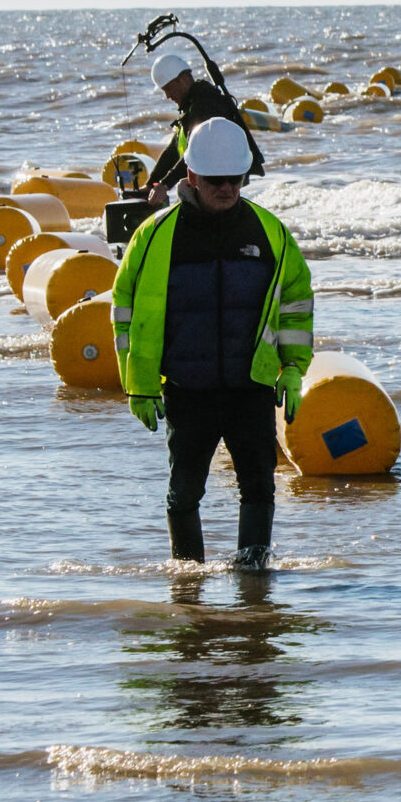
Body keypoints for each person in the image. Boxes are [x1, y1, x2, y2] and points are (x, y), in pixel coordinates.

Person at [111, 117, 316, 569]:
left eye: (236, 179)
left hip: (251, 385)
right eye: (216, 180)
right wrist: (137, 384)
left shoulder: (270, 233)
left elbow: (296, 304)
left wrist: (295, 367)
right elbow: (124, 312)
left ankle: (253, 579)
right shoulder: (154, 237)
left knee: (259, 487)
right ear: (191, 177)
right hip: (187, 387)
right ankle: (187, 583)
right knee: (183, 493)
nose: (227, 188)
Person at [143, 49, 262, 207]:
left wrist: (165, 186)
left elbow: (197, 151)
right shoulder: (190, 108)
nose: (168, 96)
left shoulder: (205, 106)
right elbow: (173, 150)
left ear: (183, 79)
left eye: (169, 89)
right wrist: (152, 184)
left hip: (220, 187)